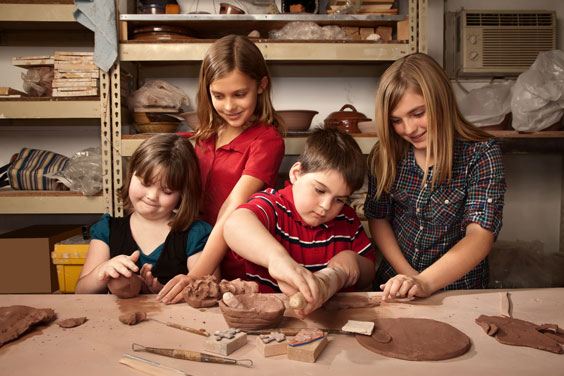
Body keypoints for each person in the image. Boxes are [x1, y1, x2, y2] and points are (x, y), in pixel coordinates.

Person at [364, 53, 506, 302]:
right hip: (395, 283)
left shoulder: (481, 153)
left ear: (441, 102)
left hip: (459, 290)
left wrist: (425, 282)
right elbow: (379, 218)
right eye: (396, 120)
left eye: (418, 114)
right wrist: (409, 277)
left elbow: (479, 235)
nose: (409, 129)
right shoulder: (385, 154)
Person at [157, 35, 285, 304]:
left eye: (240, 94)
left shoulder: (267, 141)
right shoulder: (204, 137)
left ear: (261, 85)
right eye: (218, 95)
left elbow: (232, 208)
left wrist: (197, 276)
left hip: (240, 265)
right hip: (197, 255)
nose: (229, 106)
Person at [224, 128, 376, 317]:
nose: (326, 205)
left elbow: (368, 274)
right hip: (276, 322)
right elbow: (235, 224)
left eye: (340, 199)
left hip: (336, 320)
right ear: (296, 173)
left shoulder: (346, 218)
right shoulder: (274, 205)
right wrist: (277, 260)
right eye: (320, 190)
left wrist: (354, 262)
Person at [75, 134, 211, 295]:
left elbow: (208, 292)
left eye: (167, 191)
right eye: (146, 183)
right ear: (131, 174)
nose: (152, 196)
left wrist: (160, 292)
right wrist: (102, 271)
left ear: (183, 194)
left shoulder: (195, 234)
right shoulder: (108, 229)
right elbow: (80, 292)